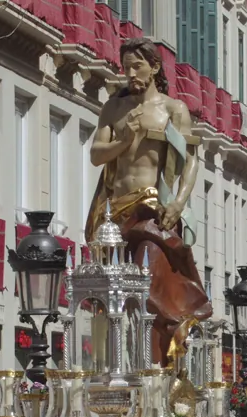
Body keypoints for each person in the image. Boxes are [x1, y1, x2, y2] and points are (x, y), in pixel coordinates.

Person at [87, 37, 210, 359]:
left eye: (137, 66)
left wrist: (179, 202)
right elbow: (97, 155)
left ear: (155, 67)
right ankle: (113, 363)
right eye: (126, 67)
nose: (131, 73)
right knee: (108, 294)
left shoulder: (172, 109)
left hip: (152, 208)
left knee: (149, 278)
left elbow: (191, 160)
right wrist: (125, 139)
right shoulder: (114, 108)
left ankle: (157, 363)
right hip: (113, 211)